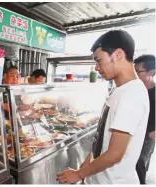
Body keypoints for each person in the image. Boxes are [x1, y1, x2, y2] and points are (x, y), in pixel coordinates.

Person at [57, 30, 150, 184]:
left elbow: (114, 154)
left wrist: (79, 174)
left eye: (98, 60)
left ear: (118, 54)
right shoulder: (119, 89)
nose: (96, 68)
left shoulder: (132, 95)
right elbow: (102, 138)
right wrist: (87, 164)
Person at [134, 55, 155, 184]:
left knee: (139, 166)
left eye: (138, 71)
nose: (135, 74)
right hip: (132, 136)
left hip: (146, 139)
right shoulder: (135, 90)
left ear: (151, 72)